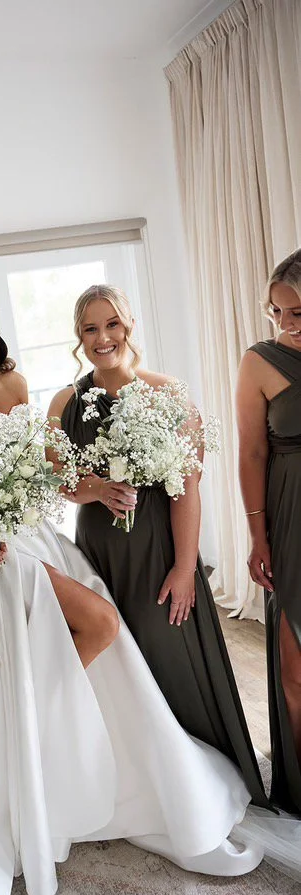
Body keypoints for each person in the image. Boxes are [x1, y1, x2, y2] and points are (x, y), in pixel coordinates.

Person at [0, 282, 263, 895]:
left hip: (30, 536)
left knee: (97, 629)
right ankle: (22, 754)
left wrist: (92, 488)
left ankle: (43, 728)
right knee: (95, 624)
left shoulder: (17, 388)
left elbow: (47, 468)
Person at [52, 284, 269, 811]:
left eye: (112, 325)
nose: (103, 338)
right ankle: (140, 780)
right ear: (79, 337)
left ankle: (199, 775)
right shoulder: (66, 401)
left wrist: (185, 568)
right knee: (122, 662)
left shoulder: (167, 393)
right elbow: (59, 482)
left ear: (128, 326)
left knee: (166, 654)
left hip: (158, 549)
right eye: (90, 329)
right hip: (99, 549)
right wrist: (98, 488)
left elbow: (187, 489)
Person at [236, 250, 301, 814]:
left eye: (300, 313)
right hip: (290, 517)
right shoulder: (260, 361)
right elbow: (252, 451)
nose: (288, 326)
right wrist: (258, 537)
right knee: (294, 664)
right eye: (278, 313)